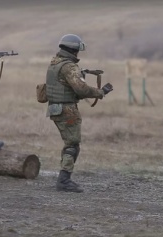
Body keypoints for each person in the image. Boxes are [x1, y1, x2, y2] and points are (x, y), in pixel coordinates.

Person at [46, 34, 113, 193]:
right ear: (74, 50)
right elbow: (81, 89)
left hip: (56, 108)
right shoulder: (69, 67)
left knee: (70, 143)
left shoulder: (55, 63)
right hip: (67, 110)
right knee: (73, 144)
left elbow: (64, 83)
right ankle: (64, 180)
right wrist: (100, 92)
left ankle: (64, 178)